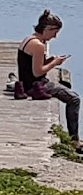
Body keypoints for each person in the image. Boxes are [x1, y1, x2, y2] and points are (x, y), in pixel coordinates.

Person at [17, 10, 82, 154]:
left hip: (27, 82)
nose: (55, 36)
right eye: (54, 32)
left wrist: (50, 60)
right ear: (47, 29)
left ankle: (73, 137)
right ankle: (74, 139)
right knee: (74, 99)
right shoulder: (39, 45)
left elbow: (31, 65)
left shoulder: (28, 39)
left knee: (68, 93)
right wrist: (54, 64)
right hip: (35, 85)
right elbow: (37, 72)